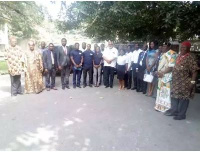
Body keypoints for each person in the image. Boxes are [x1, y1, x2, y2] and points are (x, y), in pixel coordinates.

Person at [165, 41, 198, 120]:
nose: (182, 48)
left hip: (184, 83)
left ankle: (181, 114)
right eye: (182, 47)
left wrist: (192, 82)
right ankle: (174, 111)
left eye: (184, 47)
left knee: (183, 98)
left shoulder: (190, 57)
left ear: (188, 48)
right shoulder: (179, 56)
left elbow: (195, 71)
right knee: (174, 96)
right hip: (176, 82)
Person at [154, 42, 177, 112]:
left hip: (167, 77)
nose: (163, 48)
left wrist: (162, 72)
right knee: (160, 91)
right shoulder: (163, 54)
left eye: (165, 46)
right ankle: (159, 106)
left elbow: (171, 67)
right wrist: (157, 72)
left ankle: (166, 108)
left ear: (169, 47)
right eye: (163, 46)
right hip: (161, 76)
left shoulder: (173, 54)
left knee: (165, 93)